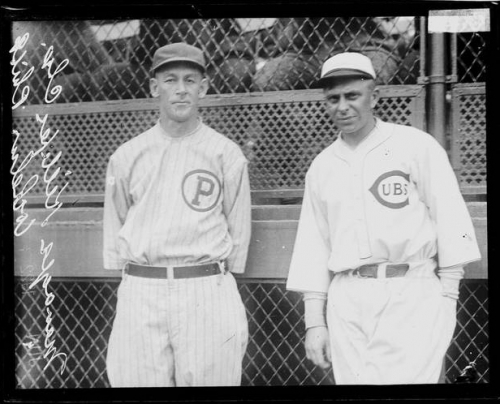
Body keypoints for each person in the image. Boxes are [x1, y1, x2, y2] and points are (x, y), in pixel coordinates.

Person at [286, 52, 481, 384]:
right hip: (347, 294)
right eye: (333, 98)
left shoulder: (415, 146)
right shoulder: (322, 165)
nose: (342, 106)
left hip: (411, 290)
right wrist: (314, 322)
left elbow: (451, 221)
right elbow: (313, 245)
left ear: (374, 96)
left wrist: (446, 298)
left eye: (352, 95)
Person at [103, 42, 251, 387]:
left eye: (190, 79)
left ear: (204, 86)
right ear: (155, 87)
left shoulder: (226, 154)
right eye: (170, 80)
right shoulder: (126, 156)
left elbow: (239, 229)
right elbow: (116, 226)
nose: (181, 89)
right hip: (142, 285)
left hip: (205, 286)